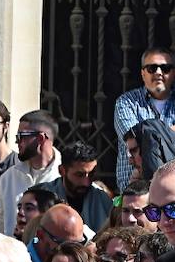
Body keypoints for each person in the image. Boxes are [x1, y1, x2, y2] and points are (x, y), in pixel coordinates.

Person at [114, 46, 175, 190]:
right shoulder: (126, 102)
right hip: (135, 194)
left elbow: (147, 137)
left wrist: (152, 134)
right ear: (143, 74)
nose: (159, 73)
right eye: (152, 68)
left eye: (165, 68)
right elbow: (136, 140)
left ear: (173, 73)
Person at [0, 110, 62, 237]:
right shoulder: (9, 178)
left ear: (41, 138)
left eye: (22, 136)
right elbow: (0, 224)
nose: (17, 142)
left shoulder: (64, 176)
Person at [39, 141, 112, 232]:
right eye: (79, 175)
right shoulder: (42, 197)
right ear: (62, 171)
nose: (86, 182)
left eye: (91, 174)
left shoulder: (102, 199)